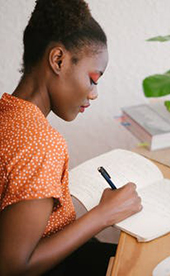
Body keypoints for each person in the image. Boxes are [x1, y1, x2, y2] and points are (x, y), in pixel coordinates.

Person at [0, 0, 142, 275]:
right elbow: (14, 267)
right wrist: (103, 215)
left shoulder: (7, 113)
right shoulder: (41, 142)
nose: (94, 93)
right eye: (93, 79)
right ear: (58, 60)